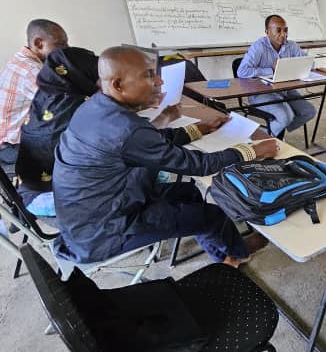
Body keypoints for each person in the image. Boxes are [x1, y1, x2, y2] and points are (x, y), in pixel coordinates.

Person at [53, 47, 279, 266]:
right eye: (149, 75)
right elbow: (197, 165)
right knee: (214, 214)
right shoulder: (125, 129)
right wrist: (252, 151)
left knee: (189, 191)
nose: (159, 82)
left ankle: (221, 252)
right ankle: (237, 254)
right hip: (106, 230)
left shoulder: (95, 106)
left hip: (91, 214)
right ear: (118, 85)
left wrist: (198, 129)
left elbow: (150, 140)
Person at [15, 46, 100, 217]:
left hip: (31, 189)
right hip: (50, 196)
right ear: (83, 77)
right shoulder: (73, 106)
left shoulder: (50, 94)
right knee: (142, 178)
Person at [0, 19, 68, 174]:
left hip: (9, 140)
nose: (65, 50)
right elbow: (61, 104)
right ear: (39, 43)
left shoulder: (21, 60)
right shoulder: (32, 70)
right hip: (12, 148)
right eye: (60, 44)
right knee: (77, 156)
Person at [237, 14, 317, 137]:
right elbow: (242, 72)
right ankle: (259, 142)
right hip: (261, 93)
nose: (283, 34)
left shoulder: (291, 45)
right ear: (267, 32)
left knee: (309, 111)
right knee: (286, 116)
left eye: (286, 30)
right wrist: (271, 70)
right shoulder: (259, 46)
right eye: (278, 30)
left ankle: (274, 132)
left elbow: (309, 63)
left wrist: (304, 65)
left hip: (285, 90)